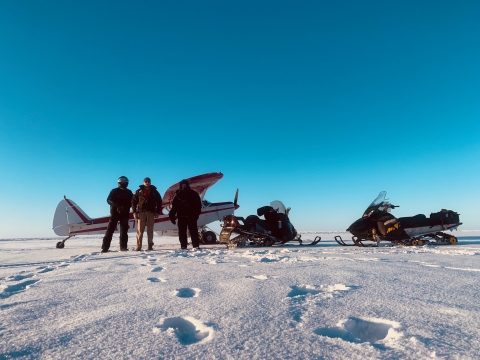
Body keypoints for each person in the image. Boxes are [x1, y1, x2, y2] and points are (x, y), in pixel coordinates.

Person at [101, 176, 133, 253]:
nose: (123, 183)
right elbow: (109, 200)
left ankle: (123, 247)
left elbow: (133, 202)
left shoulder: (129, 192)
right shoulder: (114, 191)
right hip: (114, 213)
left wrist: (127, 206)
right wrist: (117, 205)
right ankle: (105, 247)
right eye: (122, 182)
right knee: (110, 230)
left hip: (125, 213)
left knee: (124, 231)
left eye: (125, 182)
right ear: (119, 183)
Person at [169, 179, 202, 250]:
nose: (184, 187)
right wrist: (171, 215)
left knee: (193, 231)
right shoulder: (178, 195)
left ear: (188, 185)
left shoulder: (194, 194)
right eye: (182, 185)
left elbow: (198, 206)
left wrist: (196, 215)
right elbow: (174, 207)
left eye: (185, 185)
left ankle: (196, 245)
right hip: (181, 217)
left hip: (191, 217)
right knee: (181, 232)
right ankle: (183, 246)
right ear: (180, 186)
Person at [131, 177, 163, 251]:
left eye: (148, 181)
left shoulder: (155, 191)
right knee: (140, 230)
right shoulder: (138, 191)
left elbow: (159, 202)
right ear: (143, 182)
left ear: (150, 182)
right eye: (145, 181)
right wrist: (134, 212)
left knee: (150, 229)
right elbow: (133, 202)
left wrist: (157, 211)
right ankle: (138, 246)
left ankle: (150, 245)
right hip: (141, 212)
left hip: (151, 212)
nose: (147, 182)